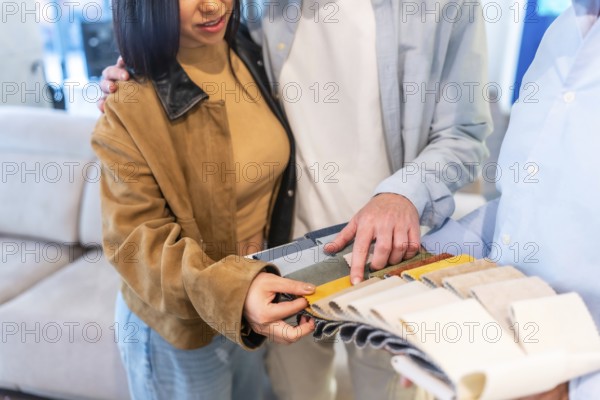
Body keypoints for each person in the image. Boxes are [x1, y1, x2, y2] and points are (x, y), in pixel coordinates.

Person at [98, 0, 492, 398]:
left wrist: (401, 194)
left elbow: (464, 136)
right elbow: (134, 242)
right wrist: (136, 69)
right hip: (258, 285)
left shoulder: (240, 55)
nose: (213, 5)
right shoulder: (259, 17)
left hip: (379, 261)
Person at [92, 0, 317, 398]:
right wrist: (238, 293)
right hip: (179, 330)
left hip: (249, 300)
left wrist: (247, 290)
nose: (213, 6)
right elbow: (136, 246)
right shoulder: (128, 105)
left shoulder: (250, 53)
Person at [421, 0, 600, 397]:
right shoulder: (563, 32)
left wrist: (575, 387)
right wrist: (424, 257)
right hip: (502, 354)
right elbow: (525, 204)